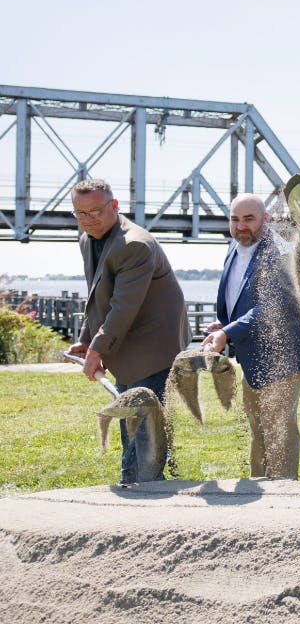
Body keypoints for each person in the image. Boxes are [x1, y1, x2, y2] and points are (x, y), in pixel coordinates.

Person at [65, 178, 188, 485]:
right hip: (126, 342)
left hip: (154, 346)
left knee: (145, 425)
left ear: (115, 206)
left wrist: (98, 350)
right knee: (130, 419)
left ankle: (148, 488)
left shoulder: (135, 244)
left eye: (96, 211)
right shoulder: (87, 239)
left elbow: (123, 306)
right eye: (81, 213)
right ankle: (134, 482)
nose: (89, 219)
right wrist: (85, 340)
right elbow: (97, 296)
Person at [201, 194, 300, 479]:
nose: (241, 226)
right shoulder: (235, 248)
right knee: (258, 427)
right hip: (254, 354)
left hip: (284, 355)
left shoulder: (282, 252)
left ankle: (284, 490)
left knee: (279, 429)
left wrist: (228, 332)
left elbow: (272, 306)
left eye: (249, 219)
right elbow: (240, 296)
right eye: (235, 219)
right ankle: (260, 487)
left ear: (265, 219)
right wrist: (223, 324)